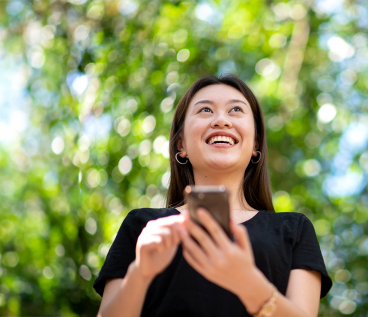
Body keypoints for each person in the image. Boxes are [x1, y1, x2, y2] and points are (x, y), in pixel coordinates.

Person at [94, 75, 332, 317]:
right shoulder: (143, 226)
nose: (221, 121)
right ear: (181, 145)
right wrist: (139, 274)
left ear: (256, 144)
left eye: (236, 110)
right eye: (206, 110)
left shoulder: (295, 230)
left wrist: (249, 284)